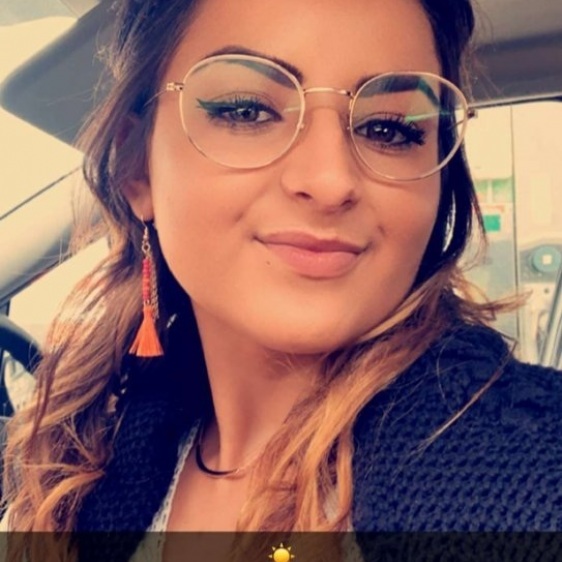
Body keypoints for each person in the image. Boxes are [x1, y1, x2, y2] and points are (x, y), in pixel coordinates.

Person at [3, 0, 562, 559]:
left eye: (388, 128)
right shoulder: (87, 466)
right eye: (247, 111)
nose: (331, 180)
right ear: (136, 168)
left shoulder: (533, 477)